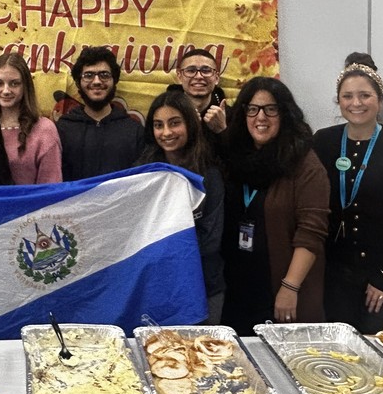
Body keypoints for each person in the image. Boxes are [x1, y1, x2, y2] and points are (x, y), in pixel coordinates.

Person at [313, 55, 383, 333]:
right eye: (347, 96)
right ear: (339, 101)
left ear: (380, 100)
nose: (356, 103)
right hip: (336, 272)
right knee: (338, 345)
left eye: (365, 95)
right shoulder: (323, 141)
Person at [220, 77, 330, 336]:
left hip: (282, 287)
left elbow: (311, 233)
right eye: (253, 109)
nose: (261, 117)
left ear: (285, 114)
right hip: (239, 286)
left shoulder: (304, 164)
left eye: (271, 109)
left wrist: (290, 287)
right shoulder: (235, 157)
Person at [136, 91, 224, 324]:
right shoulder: (144, 173)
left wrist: (163, 251)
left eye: (174, 123)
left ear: (190, 125)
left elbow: (211, 240)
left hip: (202, 286)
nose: (166, 132)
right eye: (158, 125)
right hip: (156, 286)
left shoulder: (209, 174)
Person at [56, 46, 143, 181]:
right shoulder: (62, 129)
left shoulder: (134, 131)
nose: (96, 81)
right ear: (78, 83)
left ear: (114, 81)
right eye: (88, 75)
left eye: (104, 75)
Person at [0, 53, 62, 184]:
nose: (6, 90)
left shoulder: (44, 130)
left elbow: (51, 187)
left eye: (14, 84)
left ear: (25, 86)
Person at [166, 48, 228, 138]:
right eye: (191, 71)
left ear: (217, 78)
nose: (199, 76)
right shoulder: (165, 112)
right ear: (179, 76)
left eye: (206, 71)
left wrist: (222, 130)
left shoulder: (230, 116)